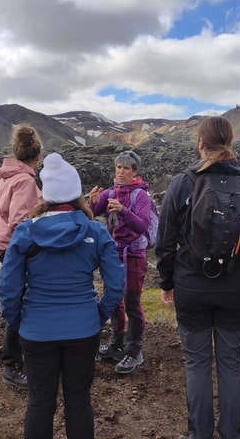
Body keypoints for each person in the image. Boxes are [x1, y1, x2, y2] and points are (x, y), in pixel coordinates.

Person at [156, 117, 240, 439]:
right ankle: (234, 433)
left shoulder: (183, 182)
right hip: (235, 288)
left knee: (197, 364)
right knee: (231, 363)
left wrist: (167, 282)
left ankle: (199, 434)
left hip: (192, 288)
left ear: (201, 144)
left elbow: (164, 238)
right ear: (230, 142)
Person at [0, 152, 124, 439]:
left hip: (36, 330)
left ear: (46, 193)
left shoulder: (25, 232)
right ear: (76, 193)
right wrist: (98, 314)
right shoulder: (95, 230)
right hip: (83, 329)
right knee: (79, 401)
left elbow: (9, 288)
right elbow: (116, 284)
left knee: (40, 402)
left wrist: (18, 320)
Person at [0, 123, 43, 390]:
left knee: (14, 297)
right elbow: (22, 221)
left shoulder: (7, 176)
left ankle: (15, 358)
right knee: (21, 300)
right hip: (15, 246)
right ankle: (12, 363)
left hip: (2, 242)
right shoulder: (26, 180)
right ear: (37, 157)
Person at [88, 149, 151, 374]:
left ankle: (134, 351)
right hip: (113, 254)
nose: (121, 171)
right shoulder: (110, 192)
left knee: (132, 303)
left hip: (133, 254)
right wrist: (91, 202)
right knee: (114, 299)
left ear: (135, 171)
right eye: (118, 167)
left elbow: (142, 225)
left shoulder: (140, 195)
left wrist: (123, 211)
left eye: (126, 168)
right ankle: (116, 344)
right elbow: (91, 213)